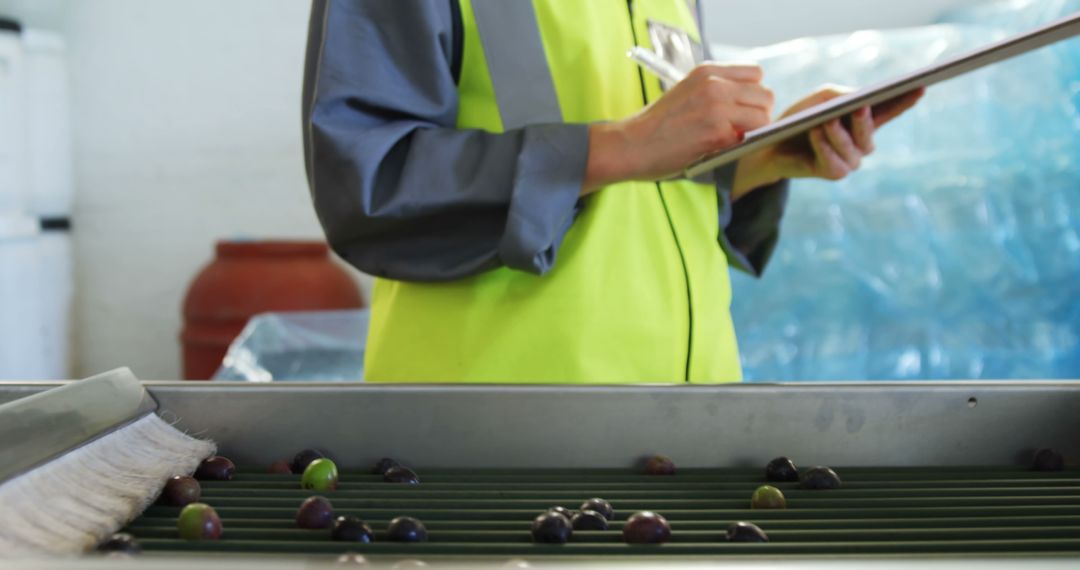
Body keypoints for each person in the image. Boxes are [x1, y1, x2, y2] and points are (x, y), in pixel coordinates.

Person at [301, 0, 923, 383]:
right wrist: (622, 144)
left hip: (689, 425)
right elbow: (367, 183)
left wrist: (759, 161)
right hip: (497, 437)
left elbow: (647, 185)